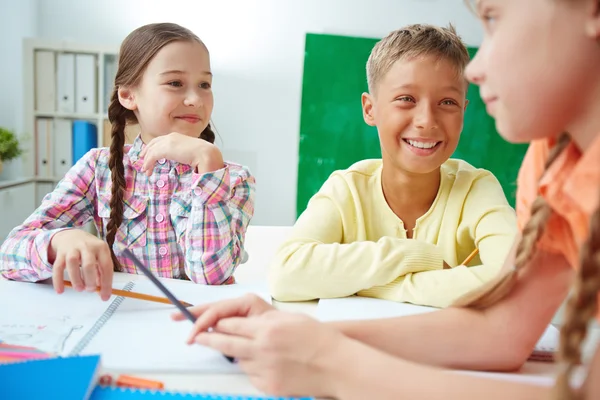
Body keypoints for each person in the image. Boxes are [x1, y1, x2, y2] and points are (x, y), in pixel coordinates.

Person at [173, 0, 600, 398]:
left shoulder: (491, 181)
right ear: (370, 107)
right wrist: (302, 334)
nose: (476, 67)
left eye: (492, 18)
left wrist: (332, 362)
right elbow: (502, 330)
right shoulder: (556, 161)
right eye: (407, 99)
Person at [0, 23, 256, 301]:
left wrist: (208, 162)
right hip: (122, 321)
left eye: (205, 85)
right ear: (128, 95)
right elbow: (10, 254)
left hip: (198, 327)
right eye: (175, 83)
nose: (195, 99)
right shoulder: (99, 167)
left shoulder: (233, 178)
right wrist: (58, 240)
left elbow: (210, 276)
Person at [269, 23, 517, 308]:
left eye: (447, 102)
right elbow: (285, 274)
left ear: (463, 111)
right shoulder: (347, 189)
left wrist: (382, 286)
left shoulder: (476, 188)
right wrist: (417, 256)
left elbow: (513, 284)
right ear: (370, 109)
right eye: (406, 99)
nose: (426, 120)